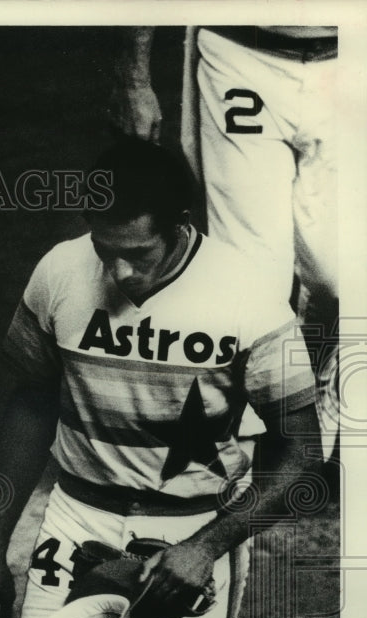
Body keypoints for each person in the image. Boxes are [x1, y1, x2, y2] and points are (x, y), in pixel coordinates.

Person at [0, 139, 321, 618]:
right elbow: (28, 405)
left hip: (190, 533)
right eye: (105, 251)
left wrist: (207, 546)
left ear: (180, 224)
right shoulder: (60, 271)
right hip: (78, 526)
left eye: (138, 254)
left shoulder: (245, 294)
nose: (119, 273)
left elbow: (303, 453)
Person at [108, 25, 339, 461]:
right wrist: (132, 76)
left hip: (349, 58)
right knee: (251, 277)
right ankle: (244, 458)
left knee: (341, 278)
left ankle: (311, 378)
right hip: (240, 51)